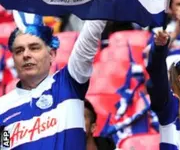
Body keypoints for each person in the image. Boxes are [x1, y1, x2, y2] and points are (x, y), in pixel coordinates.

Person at [0, 11, 106, 149]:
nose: (26, 54)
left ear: (51, 54)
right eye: (19, 50)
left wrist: (100, 1)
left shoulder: (68, 84)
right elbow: (5, 145)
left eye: (34, 48)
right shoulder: (2, 107)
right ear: (13, 59)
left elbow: (89, 39)